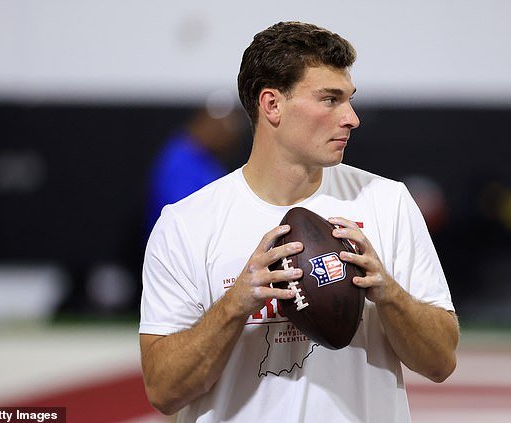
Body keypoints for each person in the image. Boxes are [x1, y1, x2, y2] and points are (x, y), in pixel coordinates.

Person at [140, 21, 459, 422]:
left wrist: (389, 293)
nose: (352, 118)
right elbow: (163, 391)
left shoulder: (387, 202)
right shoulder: (187, 223)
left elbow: (441, 362)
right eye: (330, 99)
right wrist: (235, 304)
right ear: (272, 104)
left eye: (349, 99)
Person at [145, 106, 244, 234]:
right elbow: (183, 215)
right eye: (228, 129)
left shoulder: (210, 161)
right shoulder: (181, 160)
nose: (230, 141)